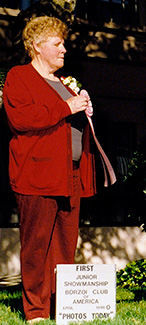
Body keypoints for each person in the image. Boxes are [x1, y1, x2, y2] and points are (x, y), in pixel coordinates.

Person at [3, 16, 114, 323]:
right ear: (37, 46)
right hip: (37, 175)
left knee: (65, 245)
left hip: (71, 174)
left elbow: (71, 126)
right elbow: (22, 119)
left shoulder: (65, 83)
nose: (64, 49)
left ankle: (61, 306)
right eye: (57, 43)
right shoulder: (19, 77)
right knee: (37, 246)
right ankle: (36, 311)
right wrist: (67, 108)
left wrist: (83, 109)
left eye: (63, 43)